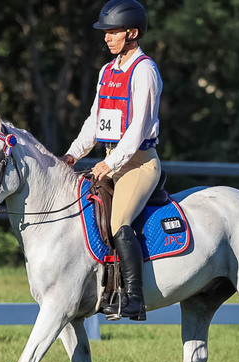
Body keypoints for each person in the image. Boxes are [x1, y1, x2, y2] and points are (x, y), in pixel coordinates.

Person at [61, 0, 162, 322]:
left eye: (113, 31)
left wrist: (112, 163)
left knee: (119, 223)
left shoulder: (144, 70)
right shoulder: (107, 71)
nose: (106, 37)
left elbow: (139, 126)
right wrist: (74, 153)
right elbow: (95, 120)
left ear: (132, 33)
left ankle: (133, 299)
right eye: (105, 32)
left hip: (139, 164)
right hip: (110, 160)